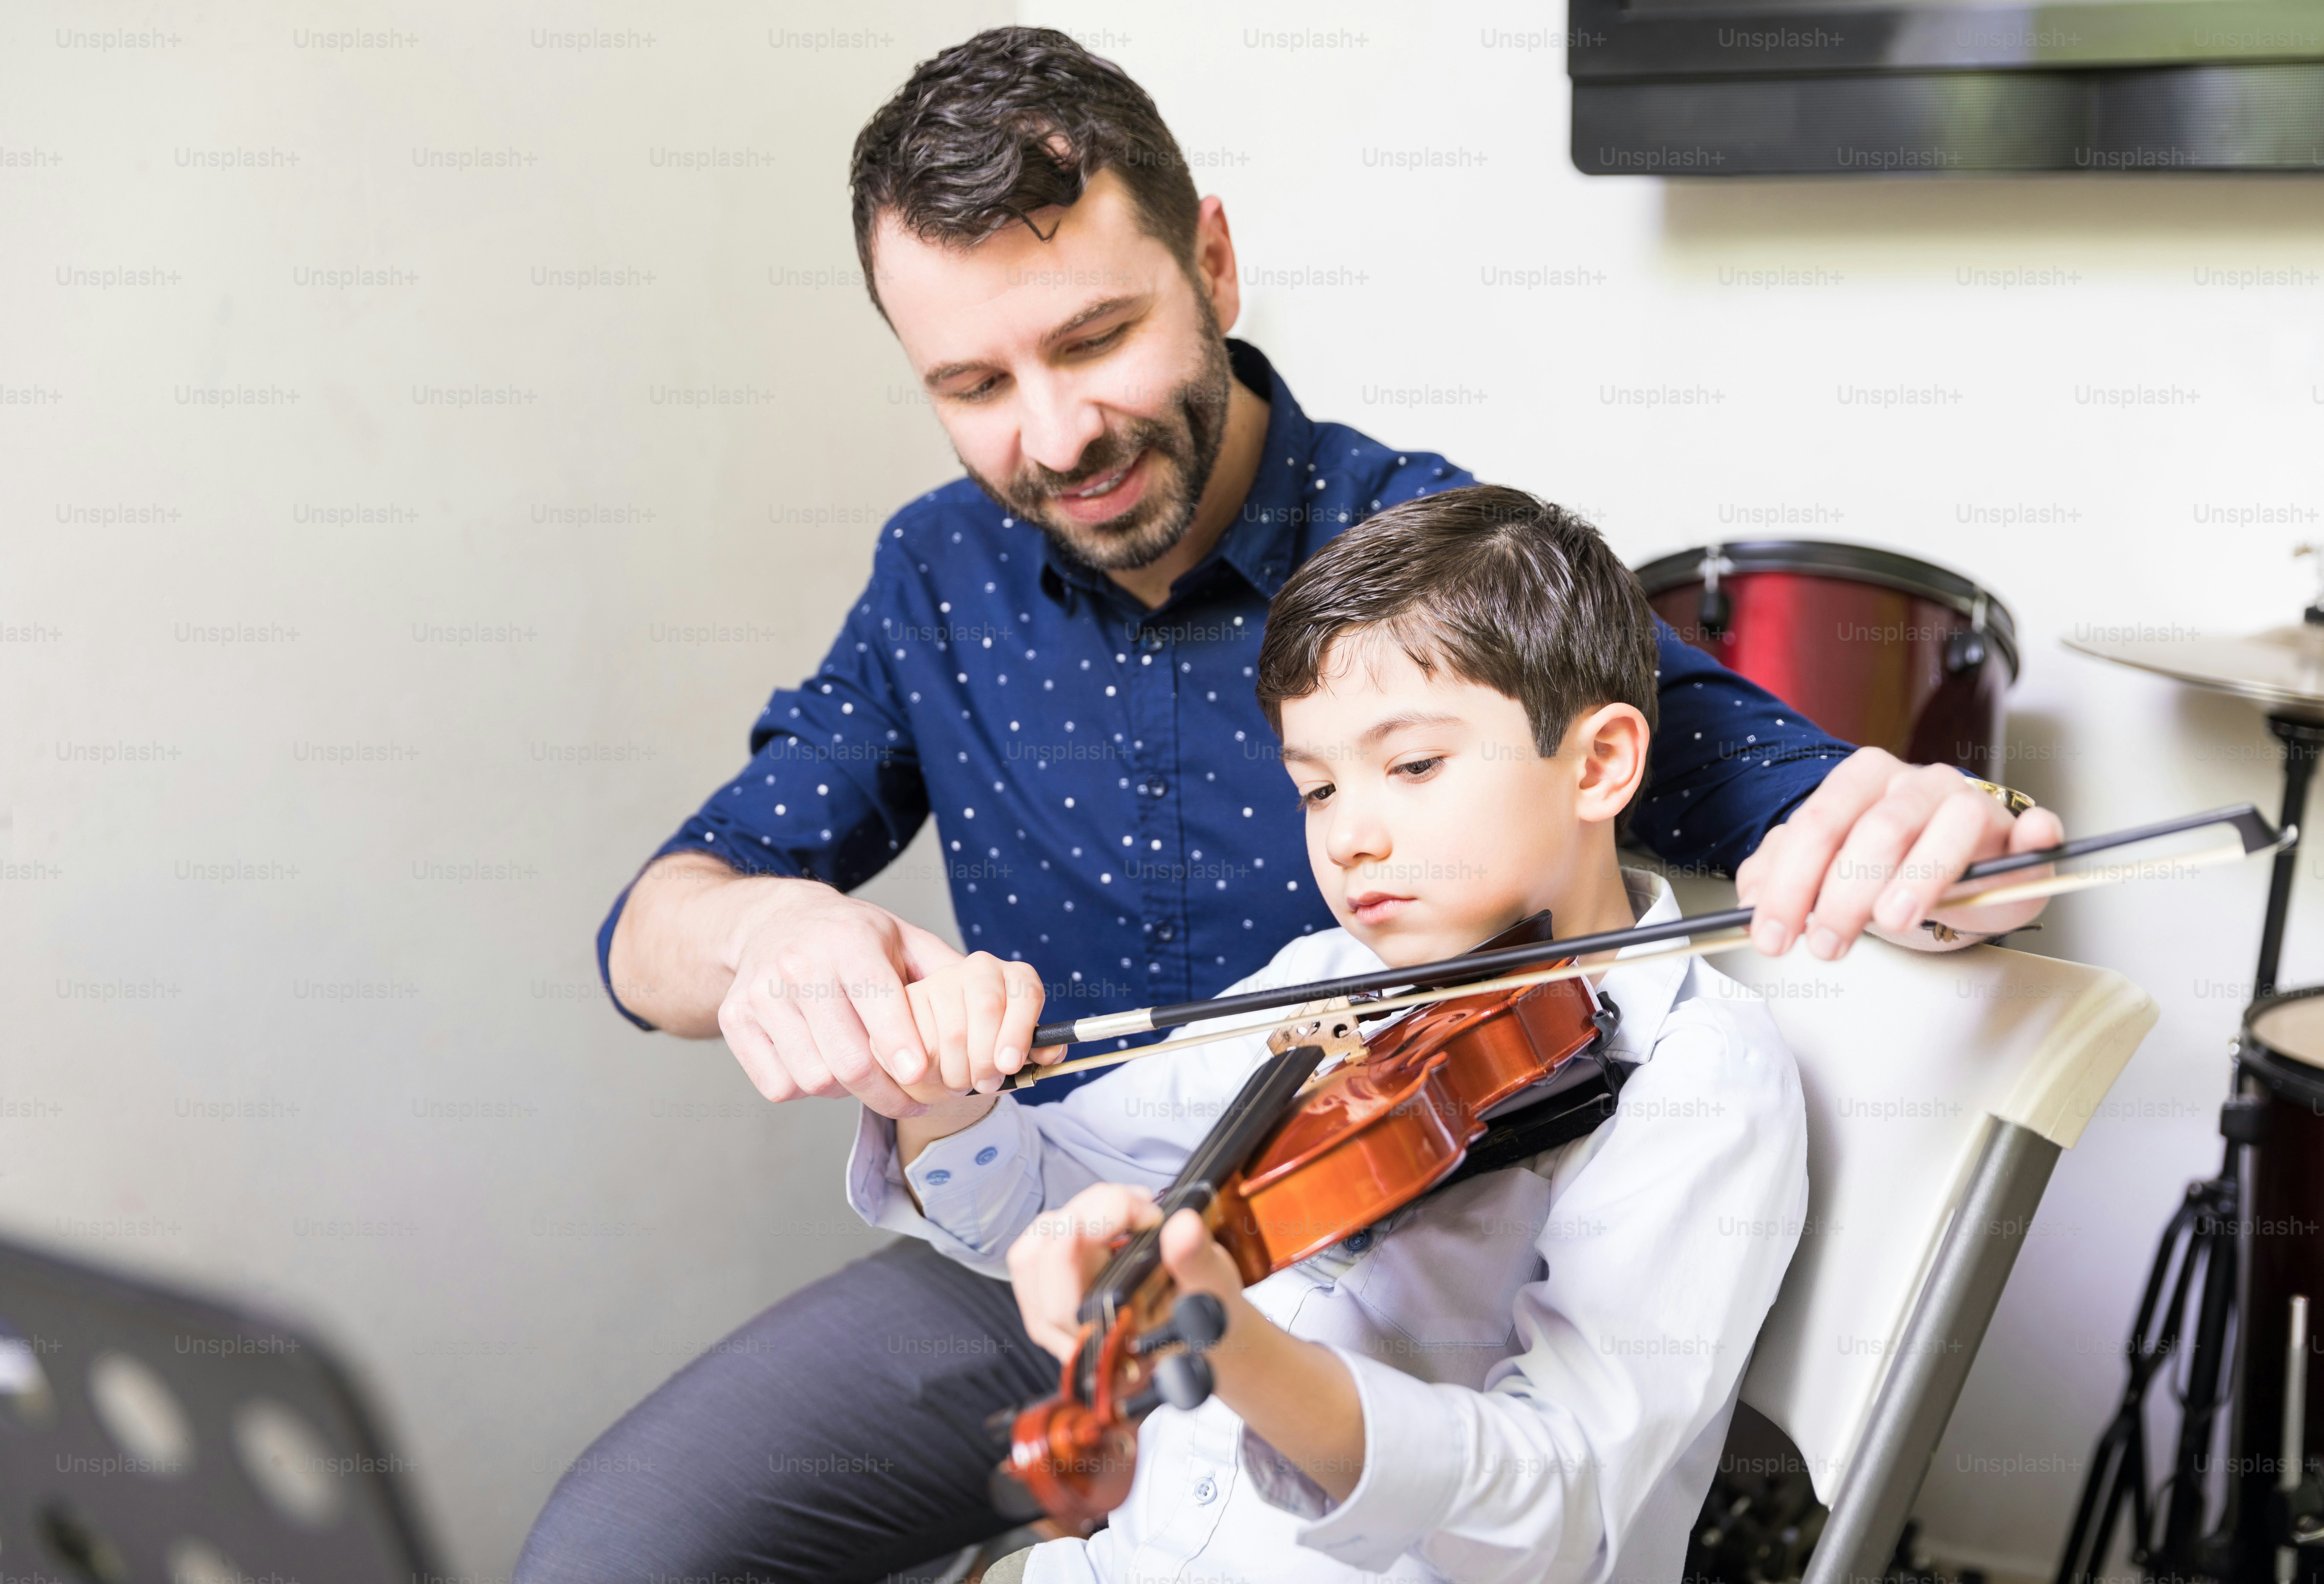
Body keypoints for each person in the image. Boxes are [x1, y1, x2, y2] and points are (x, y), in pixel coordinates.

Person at [516, 27, 2058, 1583]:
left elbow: (1805, 792)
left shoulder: (1425, 556)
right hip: (1060, 1229)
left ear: (1215, 264)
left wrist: (1948, 830)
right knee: (613, 1551)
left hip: (1394, 1292)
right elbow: (654, 930)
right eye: (975, 384)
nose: (1055, 437)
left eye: (1097, 337)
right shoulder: (938, 573)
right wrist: (775, 940)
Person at [877, 484, 1807, 1584]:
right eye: (1316, 788)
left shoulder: (1698, 1075)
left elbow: (1557, 1513)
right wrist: (942, 1096)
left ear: (1598, 764)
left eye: (1412, 766)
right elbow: (1032, 1198)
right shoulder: (1325, 988)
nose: (1350, 837)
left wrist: (1240, 1348)